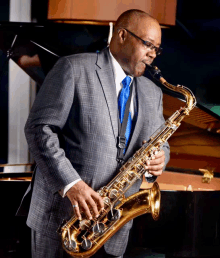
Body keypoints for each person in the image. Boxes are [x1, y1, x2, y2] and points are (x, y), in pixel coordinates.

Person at [21, 9, 170, 258]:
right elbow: (39, 128)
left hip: (113, 228)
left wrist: (159, 159)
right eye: (148, 45)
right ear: (122, 35)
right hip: (64, 220)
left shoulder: (152, 93)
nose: (153, 54)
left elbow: (160, 143)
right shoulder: (73, 68)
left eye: (157, 49)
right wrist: (71, 185)